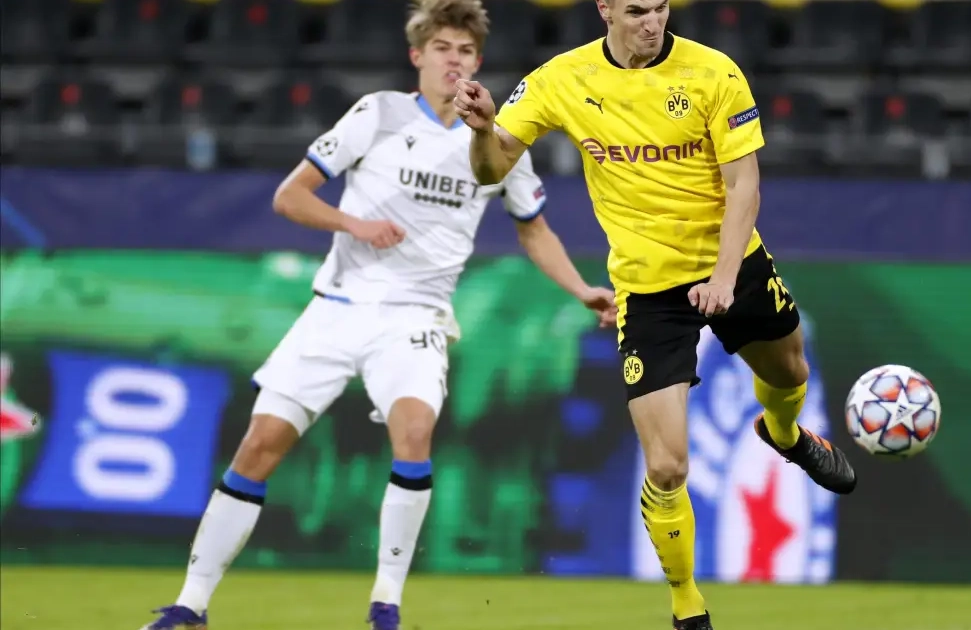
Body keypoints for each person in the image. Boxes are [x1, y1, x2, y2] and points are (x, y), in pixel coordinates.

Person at [139, 1, 616, 629]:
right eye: (442, 48)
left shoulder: (501, 143)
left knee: (414, 436)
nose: (454, 60)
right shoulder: (378, 113)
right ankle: (191, 604)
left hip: (416, 319)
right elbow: (290, 196)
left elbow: (535, 230)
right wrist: (354, 223)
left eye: (466, 51)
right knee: (259, 446)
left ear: (478, 61)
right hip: (337, 308)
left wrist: (581, 289)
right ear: (417, 55)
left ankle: (385, 605)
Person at [454, 1, 858, 628]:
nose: (653, 21)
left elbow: (744, 185)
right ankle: (686, 602)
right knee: (667, 466)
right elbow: (489, 171)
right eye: (638, 9)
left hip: (731, 261)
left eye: (662, 7)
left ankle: (783, 433)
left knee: (790, 373)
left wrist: (724, 277)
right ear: (605, 9)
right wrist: (483, 130)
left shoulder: (714, 72)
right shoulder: (562, 78)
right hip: (646, 292)